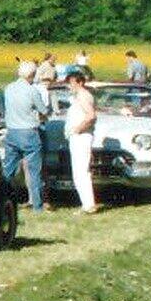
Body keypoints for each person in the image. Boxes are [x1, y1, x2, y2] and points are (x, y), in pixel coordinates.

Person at [0, 60, 51, 211]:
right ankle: (37, 205)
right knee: (34, 171)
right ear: (32, 75)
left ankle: (0, 199)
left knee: (8, 170)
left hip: (12, 132)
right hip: (29, 132)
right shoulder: (32, 91)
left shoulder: (8, 89)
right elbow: (43, 110)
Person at [63, 72, 99, 213]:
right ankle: (87, 204)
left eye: (72, 83)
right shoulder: (79, 96)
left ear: (80, 83)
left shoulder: (83, 96)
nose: (70, 86)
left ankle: (89, 205)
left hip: (81, 136)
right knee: (79, 171)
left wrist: (77, 129)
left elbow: (91, 116)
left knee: (81, 171)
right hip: (79, 136)